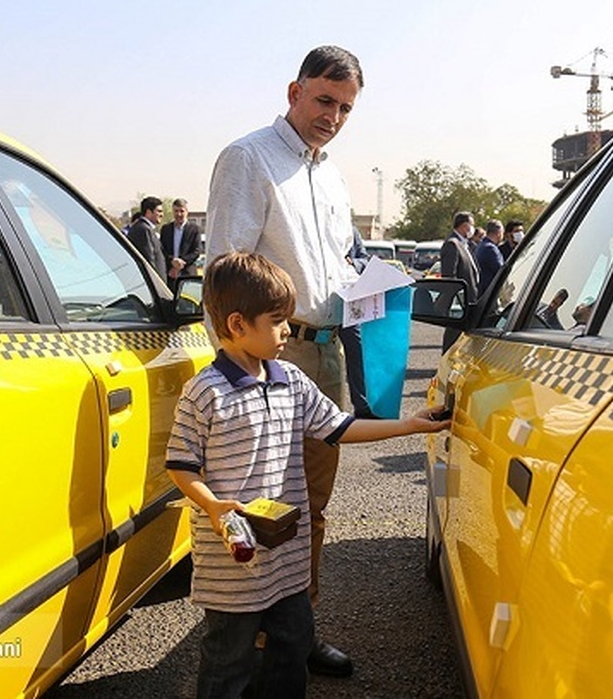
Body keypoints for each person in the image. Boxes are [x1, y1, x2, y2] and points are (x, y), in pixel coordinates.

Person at [165, 252, 448, 699]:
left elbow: (338, 427)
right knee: (227, 662)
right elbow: (181, 464)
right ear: (238, 325)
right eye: (278, 321)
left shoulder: (291, 380)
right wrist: (213, 505)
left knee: (292, 647)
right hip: (232, 568)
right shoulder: (205, 391)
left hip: (288, 560)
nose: (286, 332)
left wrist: (410, 425)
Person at [205, 44, 364, 678]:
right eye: (324, 99)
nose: (333, 115)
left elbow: (337, 265)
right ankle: (253, 643)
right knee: (262, 503)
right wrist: (244, 369)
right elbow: (225, 270)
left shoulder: (331, 175)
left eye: (346, 107)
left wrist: (370, 282)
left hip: (326, 352)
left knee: (310, 509)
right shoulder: (249, 158)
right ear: (293, 90)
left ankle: (297, 631)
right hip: (274, 352)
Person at [340, 224, 373, 418]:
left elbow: (365, 260)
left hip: (349, 302)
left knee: (357, 351)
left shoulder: (351, 231)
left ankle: (361, 406)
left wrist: (352, 263)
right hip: (318, 304)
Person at [439, 211, 480, 353]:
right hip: (459, 304)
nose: (473, 229)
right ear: (464, 226)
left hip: (469, 301)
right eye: (471, 225)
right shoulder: (452, 244)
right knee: (453, 338)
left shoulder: (466, 245)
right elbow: (450, 277)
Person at [160, 197, 203, 290]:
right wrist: (172, 262)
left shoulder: (194, 229)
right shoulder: (166, 229)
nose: (179, 214)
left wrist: (181, 263)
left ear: (187, 212)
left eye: (182, 211)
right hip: (170, 274)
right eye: (176, 211)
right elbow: (162, 249)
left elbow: (197, 251)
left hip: (188, 275)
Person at [127, 195, 166, 277]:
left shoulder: (145, 228)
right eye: (159, 211)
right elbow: (149, 260)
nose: (162, 214)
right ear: (148, 212)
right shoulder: (144, 230)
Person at [474, 219, 505, 298]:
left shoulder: (481, 246)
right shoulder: (490, 249)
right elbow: (501, 271)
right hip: (488, 294)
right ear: (498, 233)